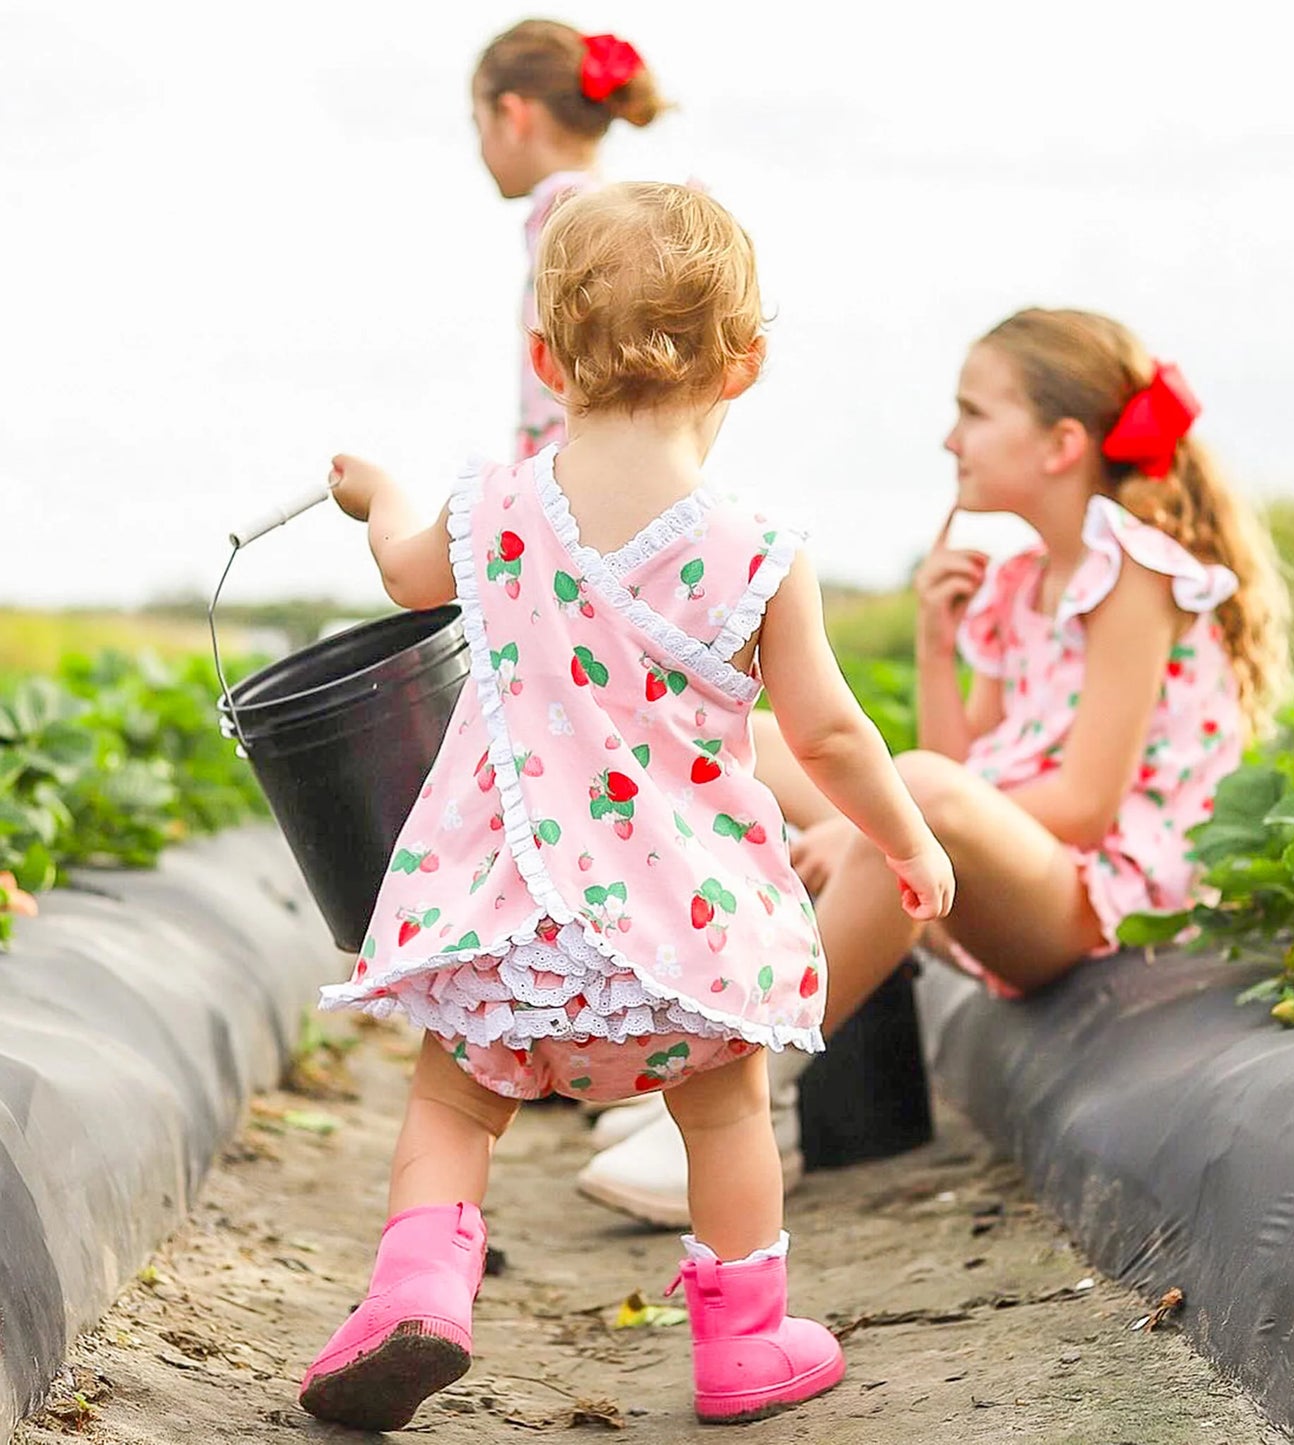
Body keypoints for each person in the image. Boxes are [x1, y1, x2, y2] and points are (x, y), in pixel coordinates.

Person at [296, 181, 955, 1432]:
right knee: (723, 1110)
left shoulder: (489, 507)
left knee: (453, 1100)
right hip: (681, 929)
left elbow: (399, 569)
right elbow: (823, 729)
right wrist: (905, 837)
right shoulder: (758, 545)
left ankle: (416, 1291)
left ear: (544, 357)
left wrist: (378, 489)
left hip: (511, 908)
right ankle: (744, 1347)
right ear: (746, 363)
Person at [579, 304, 1293, 1222]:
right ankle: (733, 1068)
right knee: (752, 742)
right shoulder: (1017, 582)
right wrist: (930, 642)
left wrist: (869, 821)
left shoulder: (1138, 576)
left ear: (1060, 443)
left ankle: (745, 1082)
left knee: (904, 791)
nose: (949, 437)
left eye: (975, 413)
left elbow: (1081, 803)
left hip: (1098, 901)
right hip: (1004, 880)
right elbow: (965, 768)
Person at [472, 20, 664, 461]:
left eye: (478, 122)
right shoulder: (605, 214)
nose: (479, 145)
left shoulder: (572, 223)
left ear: (513, 116)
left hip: (572, 489)